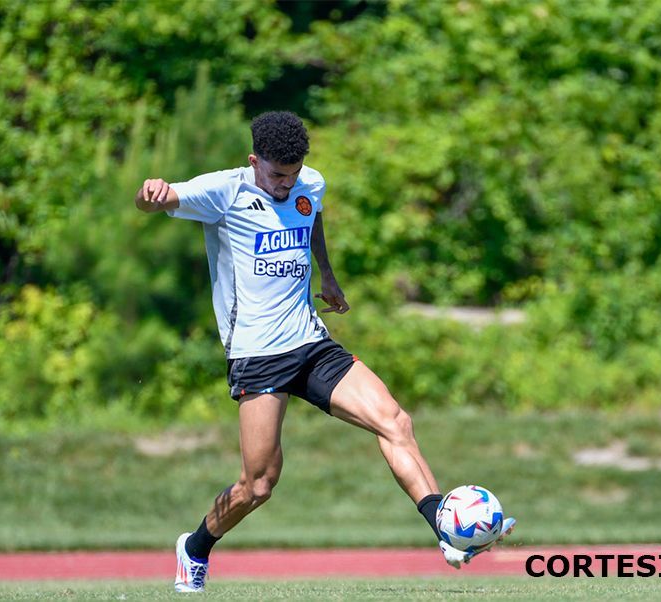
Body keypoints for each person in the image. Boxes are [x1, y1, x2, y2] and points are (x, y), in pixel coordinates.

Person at [134, 111, 515, 593]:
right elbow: (161, 198)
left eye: (291, 176)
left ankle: (442, 523)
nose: (284, 185)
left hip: (311, 342)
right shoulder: (223, 191)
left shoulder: (308, 184)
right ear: (254, 161)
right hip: (258, 355)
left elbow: (310, 217)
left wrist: (328, 275)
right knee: (259, 485)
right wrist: (149, 194)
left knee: (394, 421)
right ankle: (195, 547)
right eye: (275, 176)